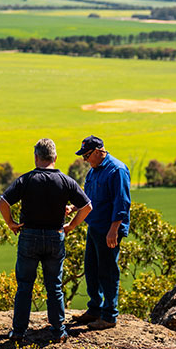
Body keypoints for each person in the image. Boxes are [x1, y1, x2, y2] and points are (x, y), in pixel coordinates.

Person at [0, 138, 92, 343]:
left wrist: (11, 223)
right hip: (54, 237)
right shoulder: (66, 181)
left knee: (24, 286)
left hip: (28, 236)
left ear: (36, 157)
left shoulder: (27, 180)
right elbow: (86, 207)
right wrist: (71, 226)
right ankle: (58, 331)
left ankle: (18, 332)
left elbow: (3, 202)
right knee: (54, 287)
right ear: (55, 158)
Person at [71, 135, 131, 330]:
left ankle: (109, 316)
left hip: (108, 229)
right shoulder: (94, 170)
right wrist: (74, 207)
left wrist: (114, 230)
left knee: (107, 271)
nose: (85, 161)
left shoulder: (117, 170)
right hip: (95, 226)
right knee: (91, 269)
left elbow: (122, 202)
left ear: (98, 152)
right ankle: (95, 309)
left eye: (87, 156)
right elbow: (89, 197)